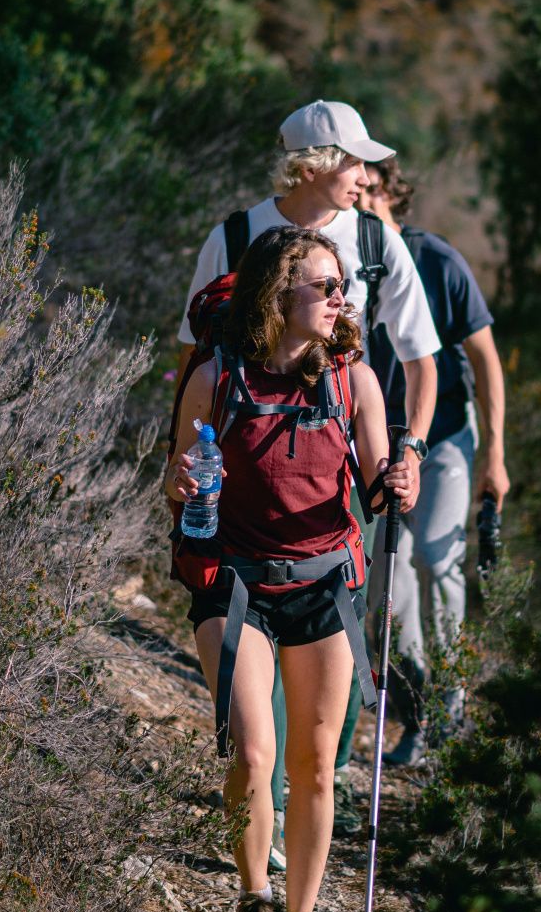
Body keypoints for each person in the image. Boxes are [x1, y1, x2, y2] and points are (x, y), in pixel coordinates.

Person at [177, 100, 440, 854]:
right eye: (355, 161)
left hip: (345, 482)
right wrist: (185, 462)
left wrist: (406, 452)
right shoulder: (232, 238)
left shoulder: (377, 242)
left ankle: (305, 814)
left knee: (326, 698)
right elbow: (192, 359)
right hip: (242, 506)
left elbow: (421, 358)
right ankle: (266, 824)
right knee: (262, 714)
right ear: (314, 164)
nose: (368, 175)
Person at [167, 226, 414, 912]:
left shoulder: (353, 382)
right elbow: (175, 478)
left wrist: (400, 477)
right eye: (324, 285)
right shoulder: (217, 378)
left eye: (342, 286)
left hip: (319, 588)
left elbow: (377, 482)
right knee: (251, 751)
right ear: (279, 292)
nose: (340, 298)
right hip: (234, 584)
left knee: (312, 762)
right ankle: (253, 899)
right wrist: (182, 485)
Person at [359, 158, 510, 766]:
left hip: (445, 434)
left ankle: (451, 711)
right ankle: (419, 708)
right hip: (374, 442)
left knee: (435, 558)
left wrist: (495, 453)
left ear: (391, 193)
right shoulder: (344, 261)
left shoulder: (438, 261)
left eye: (368, 189)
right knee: (384, 588)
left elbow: (487, 359)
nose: (357, 201)